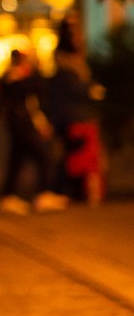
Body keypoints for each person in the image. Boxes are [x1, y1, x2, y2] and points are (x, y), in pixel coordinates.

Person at [0, 50, 65, 214]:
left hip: (24, 124)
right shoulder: (13, 77)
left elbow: (35, 101)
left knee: (18, 160)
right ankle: (42, 194)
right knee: (43, 156)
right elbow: (17, 95)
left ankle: (9, 196)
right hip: (21, 125)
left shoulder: (26, 79)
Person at [48, 23, 105, 206]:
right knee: (79, 159)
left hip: (75, 118)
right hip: (76, 120)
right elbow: (76, 90)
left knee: (77, 158)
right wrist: (92, 90)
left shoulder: (68, 68)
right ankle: (72, 192)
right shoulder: (68, 70)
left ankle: (79, 193)